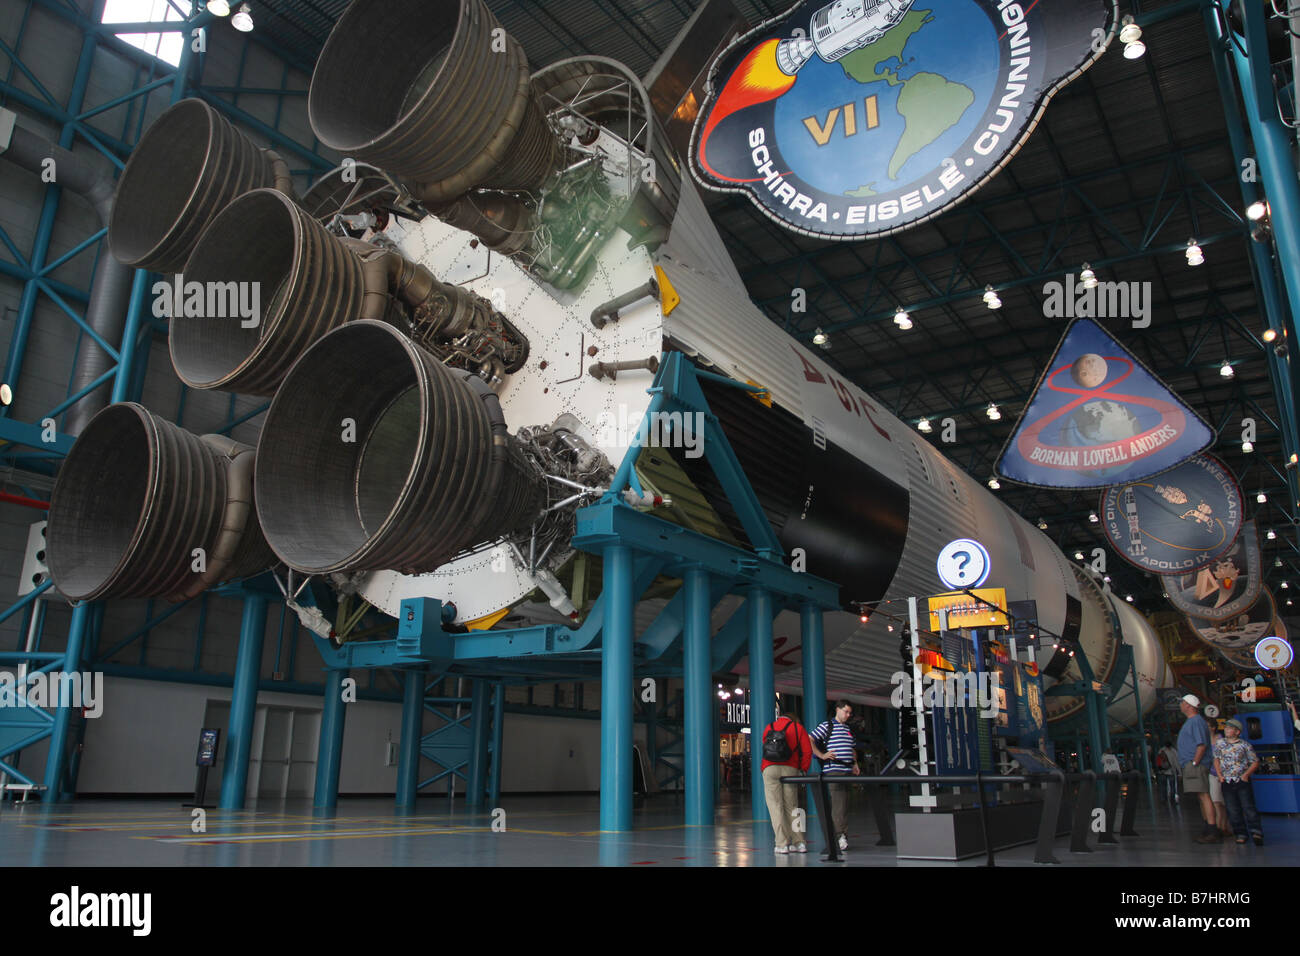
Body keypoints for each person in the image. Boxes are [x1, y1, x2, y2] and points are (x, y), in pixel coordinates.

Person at [760, 710, 812, 854]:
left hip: (770, 768)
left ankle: (782, 844)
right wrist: (803, 769)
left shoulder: (769, 727)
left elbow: (765, 747)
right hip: (791, 769)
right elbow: (808, 751)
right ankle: (800, 843)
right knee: (793, 807)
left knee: (775, 807)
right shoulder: (798, 728)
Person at [812, 700, 859, 852]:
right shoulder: (827, 726)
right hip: (834, 770)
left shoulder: (847, 729)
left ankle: (841, 834)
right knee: (839, 804)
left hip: (846, 770)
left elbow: (851, 749)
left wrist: (855, 764)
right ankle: (839, 836)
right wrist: (821, 755)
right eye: (845, 711)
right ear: (837, 710)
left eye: (850, 713)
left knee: (844, 803)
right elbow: (810, 738)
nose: (848, 715)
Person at [1213, 717, 1263, 845]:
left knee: (1248, 807)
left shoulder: (1245, 745)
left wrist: (1246, 775)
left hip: (1241, 780)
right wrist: (1219, 775)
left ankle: (1256, 831)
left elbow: (1255, 762)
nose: (1227, 730)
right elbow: (1216, 759)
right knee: (1232, 808)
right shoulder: (1220, 744)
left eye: (1230, 728)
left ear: (1237, 732)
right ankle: (1240, 833)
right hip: (1227, 781)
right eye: (1226, 728)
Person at [1177, 694, 1219, 844]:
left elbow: (1201, 745)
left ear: (1188, 705)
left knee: (1204, 796)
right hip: (1193, 764)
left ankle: (1212, 829)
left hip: (1196, 765)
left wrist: (1195, 762)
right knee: (1201, 797)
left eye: (1182, 702)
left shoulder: (1195, 722)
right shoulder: (1193, 721)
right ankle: (1208, 828)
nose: (1180, 705)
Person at [1208, 730, 1232, 836]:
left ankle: (1223, 826)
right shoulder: (1205, 740)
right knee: (1216, 802)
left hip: (1222, 774)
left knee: (1223, 802)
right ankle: (1219, 826)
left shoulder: (1222, 740)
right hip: (1212, 773)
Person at [1156, 739, 1180, 804]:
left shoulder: (1161, 750)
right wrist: (1179, 772)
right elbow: (1176, 762)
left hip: (1162, 771)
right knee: (1172, 786)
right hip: (1171, 771)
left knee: (1163, 786)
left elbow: (1158, 761)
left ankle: (1164, 799)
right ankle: (1172, 799)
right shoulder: (1173, 751)